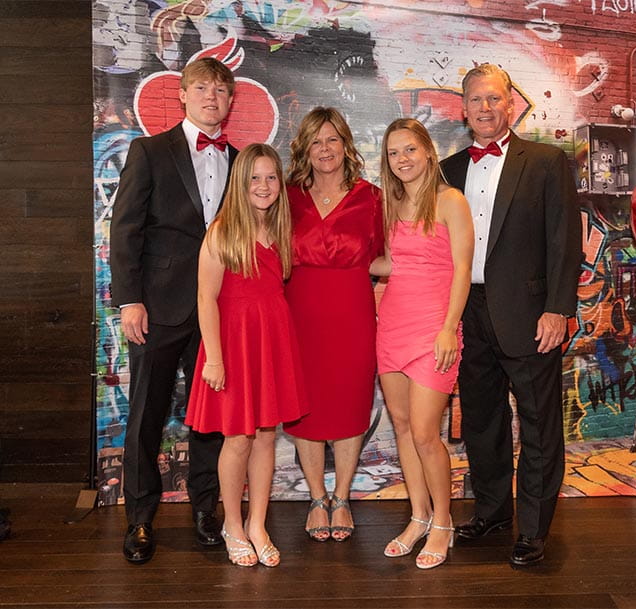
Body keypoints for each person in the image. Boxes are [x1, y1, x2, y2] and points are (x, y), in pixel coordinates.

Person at [440, 63, 582, 567]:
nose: (485, 107)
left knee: (540, 424)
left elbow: (565, 242)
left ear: (510, 104)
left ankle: (534, 528)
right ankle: (494, 512)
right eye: (476, 99)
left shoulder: (545, 161)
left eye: (494, 99)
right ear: (463, 108)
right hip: (467, 311)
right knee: (481, 420)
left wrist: (558, 309)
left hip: (528, 312)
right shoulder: (449, 169)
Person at [110, 57, 237, 564]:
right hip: (157, 307)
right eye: (202, 88)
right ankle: (139, 519)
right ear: (182, 95)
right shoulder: (150, 150)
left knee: (210, 417)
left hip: (220, 310)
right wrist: (130, 300)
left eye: (221, 90)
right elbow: (124, 230)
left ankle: (207, 511)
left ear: (231, 100)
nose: (212, 96)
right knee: (146, 414)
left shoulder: (241, 158)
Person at [184, 144, 307, 568]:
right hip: (233, 344)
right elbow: (206, 297)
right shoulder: (222, 230)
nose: (264, 185)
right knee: (238, 437)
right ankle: (232, 524)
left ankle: (258, 523)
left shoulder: (279, 229)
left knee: (267, 435)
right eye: (255, 177)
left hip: (271, 340)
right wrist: (214, 358)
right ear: (240, 182)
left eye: (271, 177)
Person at [371, 118, 474, 569]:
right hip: (392, 323)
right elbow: (390, 264)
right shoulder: (391, 203)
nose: (403, 159)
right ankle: (418, 516)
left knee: (427, 433)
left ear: (428, 152)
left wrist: (450, 327)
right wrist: (332, 262)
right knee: (401, 426)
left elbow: (463, 270)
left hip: (436, 328)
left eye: (410, 149)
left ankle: (443, 523)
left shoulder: (451, 200)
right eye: (394, 153)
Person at [282, 107, 384, 542]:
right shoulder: (285, 196)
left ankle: (341, 497)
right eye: (315, 141)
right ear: (304, 148)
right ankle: (316, 496)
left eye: (332, 139)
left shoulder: (373, 197)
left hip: (352, 312)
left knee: (348, 403)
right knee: (305, 407)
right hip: (298, 312)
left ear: (345, 144)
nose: (324, 149)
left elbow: (382, 258)